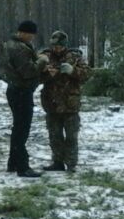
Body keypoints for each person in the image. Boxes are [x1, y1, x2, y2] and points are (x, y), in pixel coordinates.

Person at [0, 20, 44, 178]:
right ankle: (22, 167)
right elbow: (28, 71)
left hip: (15, 90)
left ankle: (13, 162)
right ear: (24, 33)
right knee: (22, 130)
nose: (32, 38)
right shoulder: (20, 49)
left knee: (18, 128)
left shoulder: (10, 45)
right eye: (31, 35)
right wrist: (42, 62)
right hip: (21, 91)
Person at [38, 30, 91, 172]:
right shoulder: (45, 56)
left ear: (65, 45)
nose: (57, 49)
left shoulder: (75, 57)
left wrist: (73, 71)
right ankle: (58, 162)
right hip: (51, 103)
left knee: (71, 136)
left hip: (70, 104)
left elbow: (86, 75)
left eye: (60, 46)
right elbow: (35, 76)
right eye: (55, 46)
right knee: (54, 135)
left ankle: (71, 163)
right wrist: (45, 73)